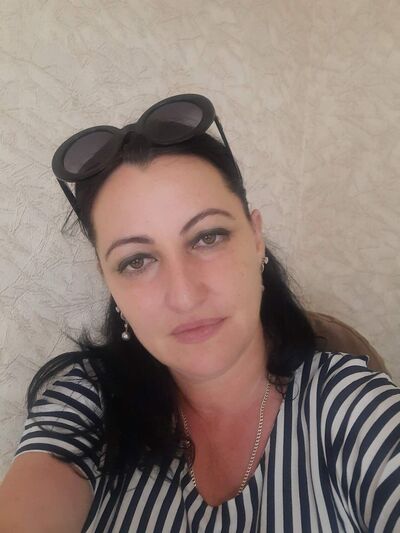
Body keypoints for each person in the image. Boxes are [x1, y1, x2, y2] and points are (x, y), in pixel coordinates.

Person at [0, 94, 399, 532]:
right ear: (109, 282)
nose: (185, 296)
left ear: (256, 239)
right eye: (136, 261)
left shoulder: (352, 406)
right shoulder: (87, 403)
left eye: (208, 237)